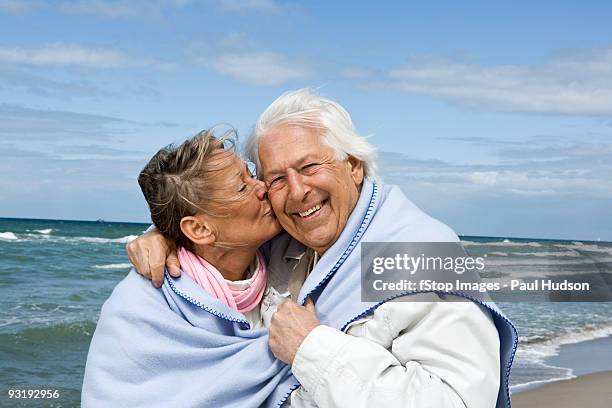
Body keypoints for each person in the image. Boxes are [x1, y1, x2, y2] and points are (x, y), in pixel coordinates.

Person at [128, 89, 518, 408]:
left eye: (311, 166)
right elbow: (220, 226)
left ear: (354, 165)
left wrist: (312, 348)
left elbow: (457, 402)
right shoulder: (283, 239)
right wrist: (164, 237)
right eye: (277, 178)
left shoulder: (421, 252)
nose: (297, 191)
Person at [82, 131, 301, 407]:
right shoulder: (137, 308)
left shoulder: (295, 249)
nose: (263, 187)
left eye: (252, 174)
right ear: (199, 229)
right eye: (242, 187)